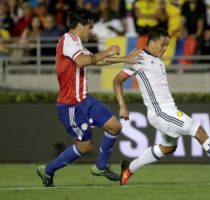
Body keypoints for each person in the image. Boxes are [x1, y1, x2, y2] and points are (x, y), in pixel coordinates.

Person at [113, 27, 210, 186]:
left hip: (166, 111)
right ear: (152, 42)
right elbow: (117, 81)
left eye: (167, 45)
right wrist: (123, 106)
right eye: (162, 44)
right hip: (161, 112)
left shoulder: (157, 60)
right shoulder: (138, 57)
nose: (165, 48)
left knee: (168, 148)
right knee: (198, 131)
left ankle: (129, 168)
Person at [37, 8, 141, 187]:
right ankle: (47, 170)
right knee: (85, 147)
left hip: (85, 100)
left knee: (115, 126)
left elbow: (96, 60)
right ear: (78, 26)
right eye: (89, 27)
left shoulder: (77, 42)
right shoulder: (68, 40)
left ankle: (100, 167)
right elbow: (82, 61)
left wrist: (125, 58)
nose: (91, 31)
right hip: (71, 105)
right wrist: (108, 51)